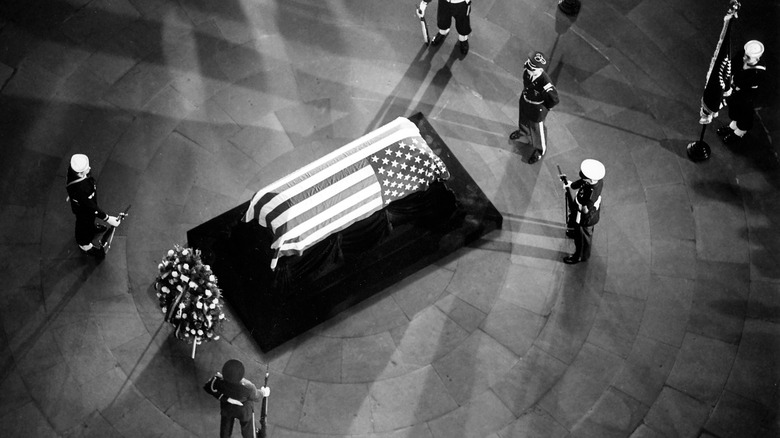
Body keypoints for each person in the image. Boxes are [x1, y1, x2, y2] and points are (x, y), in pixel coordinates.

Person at [510, 51, 560, 164]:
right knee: (522, 119)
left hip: (537, 108)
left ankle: (539, 150)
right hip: (525, 100)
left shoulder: (545, 83)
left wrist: (546, 108)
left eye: (531, 69)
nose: (528, 69)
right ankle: (523, 133)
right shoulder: (527, 70)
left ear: (539, 70)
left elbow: (554, 99)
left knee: (537, 130)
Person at [65, 154, 120, 257]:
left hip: (82, 204)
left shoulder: (73, 172)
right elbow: (91, 207)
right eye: (86, 169)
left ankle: (91, 228)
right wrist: (107, 218)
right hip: (83, 210)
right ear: (80, 174)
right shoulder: (81, 189)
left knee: (89, 221)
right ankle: (84, 244)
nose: (89, 168)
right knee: (83, 224)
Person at [717, 40, 767, 144]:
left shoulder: (758, 72)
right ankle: (733, 126)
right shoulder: (742, 56)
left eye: (748, 57)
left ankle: (739, 132)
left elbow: (746, 86)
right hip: (735, 90)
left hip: (746, 96)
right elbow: (733, 65)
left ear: (757, 58)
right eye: (745, 55)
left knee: (744, 113)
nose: (744, 58)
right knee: (734, 109)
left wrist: (735, 86)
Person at [205, 359, 270, 438]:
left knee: (225, 428)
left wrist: (227, 399)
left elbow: (209, 387)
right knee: (248, 429)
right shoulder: (248, 387)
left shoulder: (217, 380)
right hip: (244, 410)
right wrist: (264, 392)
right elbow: (257, 397)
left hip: (227, 408)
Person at [563, 159, 604, 265]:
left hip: (585, 217)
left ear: (590, 180)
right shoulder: (595, 181)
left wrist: (577, 206)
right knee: (576, 229)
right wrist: (570, 185)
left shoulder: (591, 193)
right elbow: (581, 182)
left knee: (582, 237)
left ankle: (580, 256)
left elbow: (585, 210)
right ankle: (573, 231)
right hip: (580, 209)